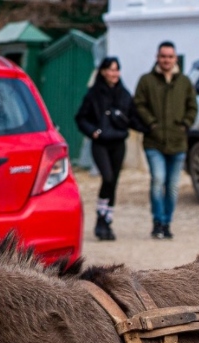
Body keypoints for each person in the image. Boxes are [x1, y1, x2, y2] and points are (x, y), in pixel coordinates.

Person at [133, 41, 198, 239]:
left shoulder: (184, 82)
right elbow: (138, 104)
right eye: (163, 56)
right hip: (154, 142)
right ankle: (157, 221)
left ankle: (167, 222)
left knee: (172, 185)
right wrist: (151, 123)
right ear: (157, 57)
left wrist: (185, 124)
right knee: (158, 180)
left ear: (175, 58)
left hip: (178, 143)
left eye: (170, 56)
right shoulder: (146, 80)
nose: (166, 60)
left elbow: (192, 107)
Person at [75, 57, 134, 242]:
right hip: (101, 143)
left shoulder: (124, 94)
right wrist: (93, 132)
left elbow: (134, 116)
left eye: (117, 70)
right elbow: (81, 118)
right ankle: (101, 216)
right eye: (110, 69)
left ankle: (106, 220)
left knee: (113, 182)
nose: (114, 73)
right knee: (107, 177)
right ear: (102, 72)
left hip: (118, 142)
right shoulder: (93, 94)